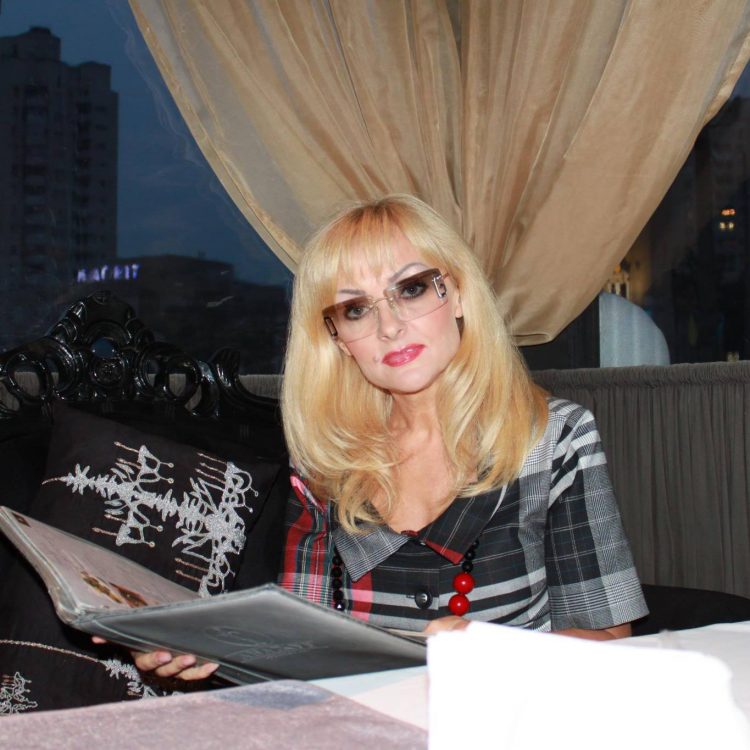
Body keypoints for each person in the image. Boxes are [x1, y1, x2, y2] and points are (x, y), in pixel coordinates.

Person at [127, 194, 647, 680]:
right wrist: (215, 644)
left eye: (411, 288)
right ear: (337, 339)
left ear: (458, 294)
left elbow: (611, 643)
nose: (389, 326)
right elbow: (301, 644)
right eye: (356, 309)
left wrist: (498, 650)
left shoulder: (554, 438)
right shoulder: (325, 460)